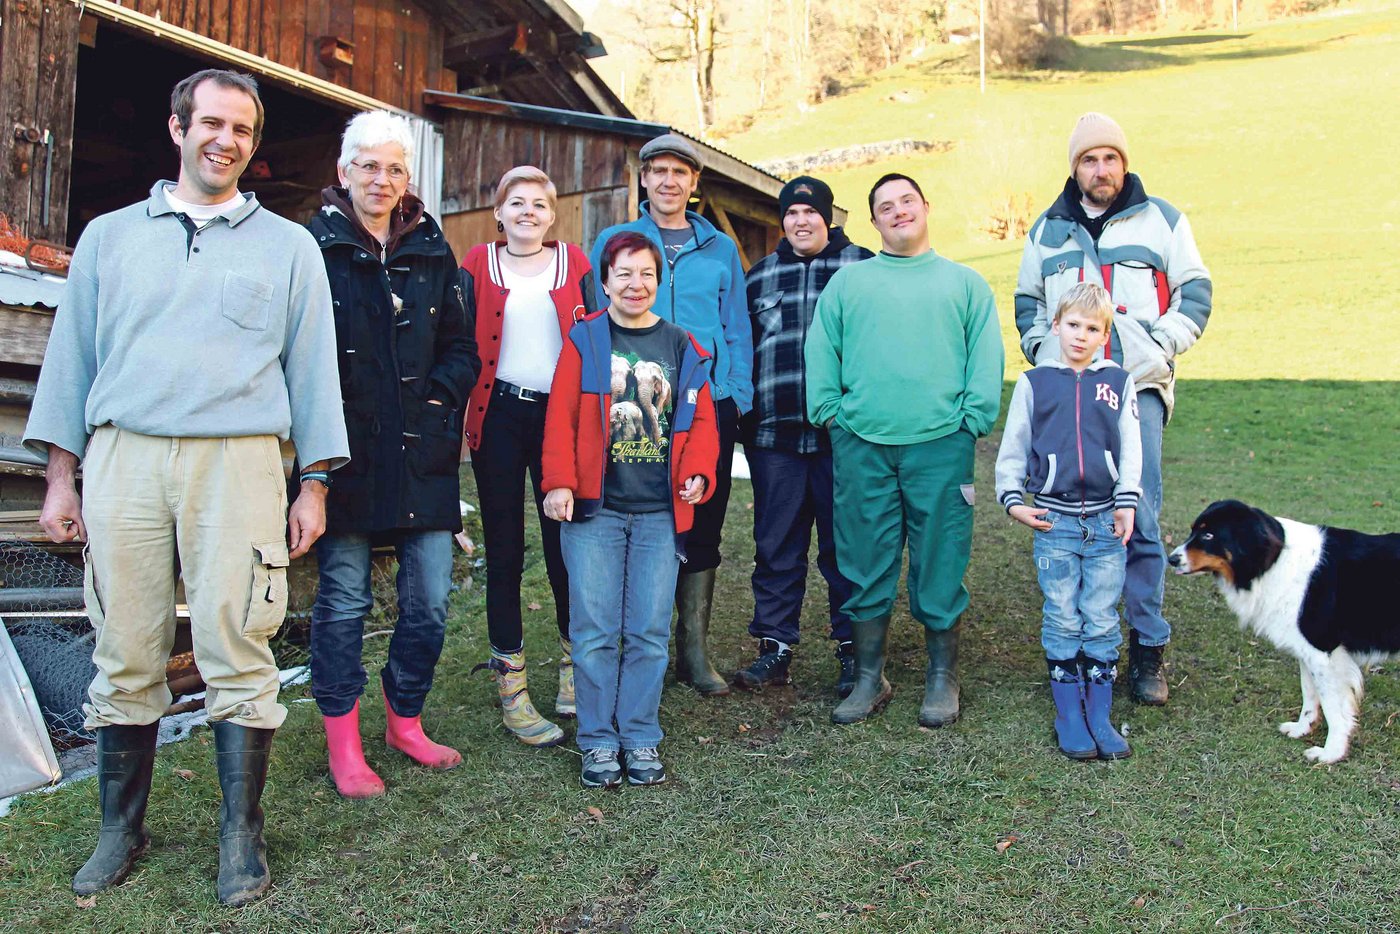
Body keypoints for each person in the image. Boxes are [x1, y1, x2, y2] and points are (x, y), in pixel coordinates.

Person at [23, 69, 348, 906]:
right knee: (124, 644)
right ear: (177, 130)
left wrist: (310, 484)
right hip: (124, 456)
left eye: (241, 129)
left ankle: (240, 836)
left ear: (253, 143)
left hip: (237, 459)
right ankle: (118, 830)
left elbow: (311, 374)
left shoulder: (288, 246)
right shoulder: (108, 237)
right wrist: (62, 478)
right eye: (210, 123)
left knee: (238, 643)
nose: (224, 140)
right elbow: (72, 363)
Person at [306, 110, 479, 797]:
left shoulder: (433, 249)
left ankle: (405, 721)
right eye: (368, 166)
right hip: (343, 453)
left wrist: (440, 401)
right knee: (344, 601)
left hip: (422, 453)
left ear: (409, 179)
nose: (382, 180)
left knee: (430, 600)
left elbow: (462, 348)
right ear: (344, 173)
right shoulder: (313, 248)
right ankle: (345, 747)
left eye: (395, 168)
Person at [1014, 112, 1212, 705]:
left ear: (1124, 163)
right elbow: (1027, 300)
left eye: (1109, 158)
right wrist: (1040, 350)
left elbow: (1196, 289)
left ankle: (1147, 648)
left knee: (1137, 515)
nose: (1100, 169)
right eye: (1087, 160)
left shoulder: (1162, 220)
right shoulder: (1047, 230)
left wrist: (1161, 342)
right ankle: (1075, 639)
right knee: (1067, 509)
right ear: (1073, 168)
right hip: (1068, 393)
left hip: (1137, 387)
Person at [806, 173, 1004, 728]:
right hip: (863, 443)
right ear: (873, 222)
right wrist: (833, 416)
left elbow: (986, 358)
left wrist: (971, 421)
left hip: (941, 444)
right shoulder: (849, 285)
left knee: (941, 557)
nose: (898, 212)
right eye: (885, 207)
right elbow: (822, 350)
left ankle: (943, 676)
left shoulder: (964, 284)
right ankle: (870, 677)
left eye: (906, 202)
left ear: (925, 207)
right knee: (864, 557)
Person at [542, 231, 719, 787]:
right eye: (623, 273)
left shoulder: (682, 347)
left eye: (645, 274)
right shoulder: (586, 340)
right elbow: (561, 417)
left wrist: (698, 473)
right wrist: (559, 482)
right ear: (605, 280)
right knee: (594, 629)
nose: (635, 284)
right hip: (596, 511)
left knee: (646, 630)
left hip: (659, 515)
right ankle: (597, 740)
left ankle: (639, 734)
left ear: (657, 282)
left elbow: (703, 426)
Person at [588, 133, 751, 698]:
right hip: (638, 402)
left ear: (694, 183)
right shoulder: (616, 241)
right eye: (656, 171)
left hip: (707, 401)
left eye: (679, 172)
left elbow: (736, 325)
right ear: (643, 179)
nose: (667, 181)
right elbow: (594, 318)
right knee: (639, 516)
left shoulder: (721, 248)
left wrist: (735, 389)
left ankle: (695, 650)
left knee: (702, 512)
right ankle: (637, 643)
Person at [461, 166, 598, 746]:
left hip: (557, 417)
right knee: (506, 551)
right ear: (499, 212)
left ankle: (573, 667)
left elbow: (596, 337)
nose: (527, 213)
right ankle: (512, 686)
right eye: (516, 203)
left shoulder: (576, 264)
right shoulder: (476, 264)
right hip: (499, 417)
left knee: (564, 543)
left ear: (552, 214)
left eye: (539, 205)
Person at [736, 176, 873, 694]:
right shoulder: (760, 277)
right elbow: (743, 346)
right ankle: (775, 647)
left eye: (810, 212)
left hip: (846, 436)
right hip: (775, 437)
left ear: (828, 216)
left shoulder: (862, 267)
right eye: (791, 213)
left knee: (847, 545)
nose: (800, 221)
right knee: (776, 546)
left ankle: (853, 647)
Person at [996, 283, 1141, 760]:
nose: (1081, 335)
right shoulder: (1035, 383)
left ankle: (1099, 713)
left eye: (1092, 328)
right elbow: (1014, 445)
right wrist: (1014, 499)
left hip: (1105, 523)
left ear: (1105, 335)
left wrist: (1127, 501)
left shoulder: (1119, 382)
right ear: (1056, 326)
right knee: (1061, 613)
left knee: (1100, 616)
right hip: (1054, 522)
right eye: (1073, 325)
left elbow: (1131, 446)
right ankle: (1069, 714)